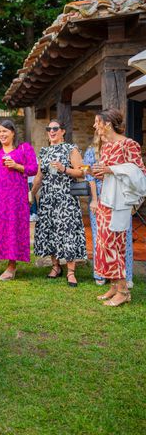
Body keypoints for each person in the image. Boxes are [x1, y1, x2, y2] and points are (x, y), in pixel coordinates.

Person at [91, 108, 146, 306]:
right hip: (106, 200)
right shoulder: (106, 147)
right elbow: (108, 172)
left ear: (107, 123)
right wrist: (101, 173)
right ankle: (114, 286)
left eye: (97, 122)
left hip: (119, 203)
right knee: (104, 245)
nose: (95, 126)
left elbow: (139, 172)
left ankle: (123, 291)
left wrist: (111, 169)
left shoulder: (128, 144)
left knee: (115, 245)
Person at [0, 120, 38, 280]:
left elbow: (34, 169)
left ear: (13, 133)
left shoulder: (24, 149)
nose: (1, 134)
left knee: (12, 228)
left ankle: (11, 266)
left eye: (5, 131)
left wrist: (18, 166)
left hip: (15, 198)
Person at [31, 120, 87, 287]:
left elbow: (82, 172)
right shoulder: (44, 152)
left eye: (55, 128)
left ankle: (71, 272)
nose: (52, 131)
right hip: (48, 199)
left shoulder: (71, 149)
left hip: (66, 199)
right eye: (49, 129)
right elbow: (39, 177)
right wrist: (31, 194)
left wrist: (64, 169)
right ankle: (56, 266)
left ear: (63, 131)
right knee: (51, 232)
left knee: (68, 233)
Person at [83, 132, 135, 288]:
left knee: (123, 236)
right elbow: (89, 176)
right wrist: (94, 199)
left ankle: (127, 275)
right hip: (100, 196)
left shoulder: (122, 149)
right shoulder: (91, 151)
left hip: (119, 197)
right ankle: (101, 274)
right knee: (100, 236)